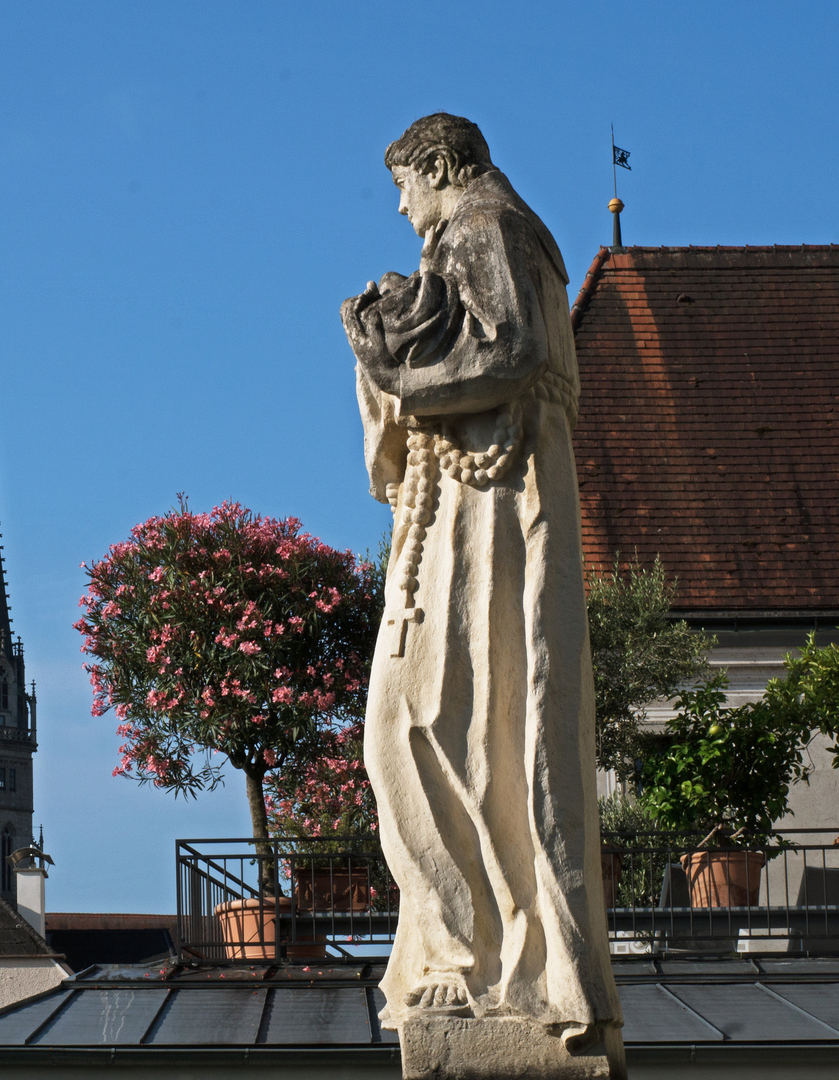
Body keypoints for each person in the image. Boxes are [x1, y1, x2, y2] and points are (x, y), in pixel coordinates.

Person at [340, 113, 621, 1051]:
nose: (400, 204)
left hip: (492, 510)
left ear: (436, 167)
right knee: (424, 724)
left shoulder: (484, 226)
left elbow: (511, 355)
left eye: (402, 183)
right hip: (466, 502)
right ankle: (465, 945)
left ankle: (476, 958)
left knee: (429, 723)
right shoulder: (488, 236)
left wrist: (389, 363)